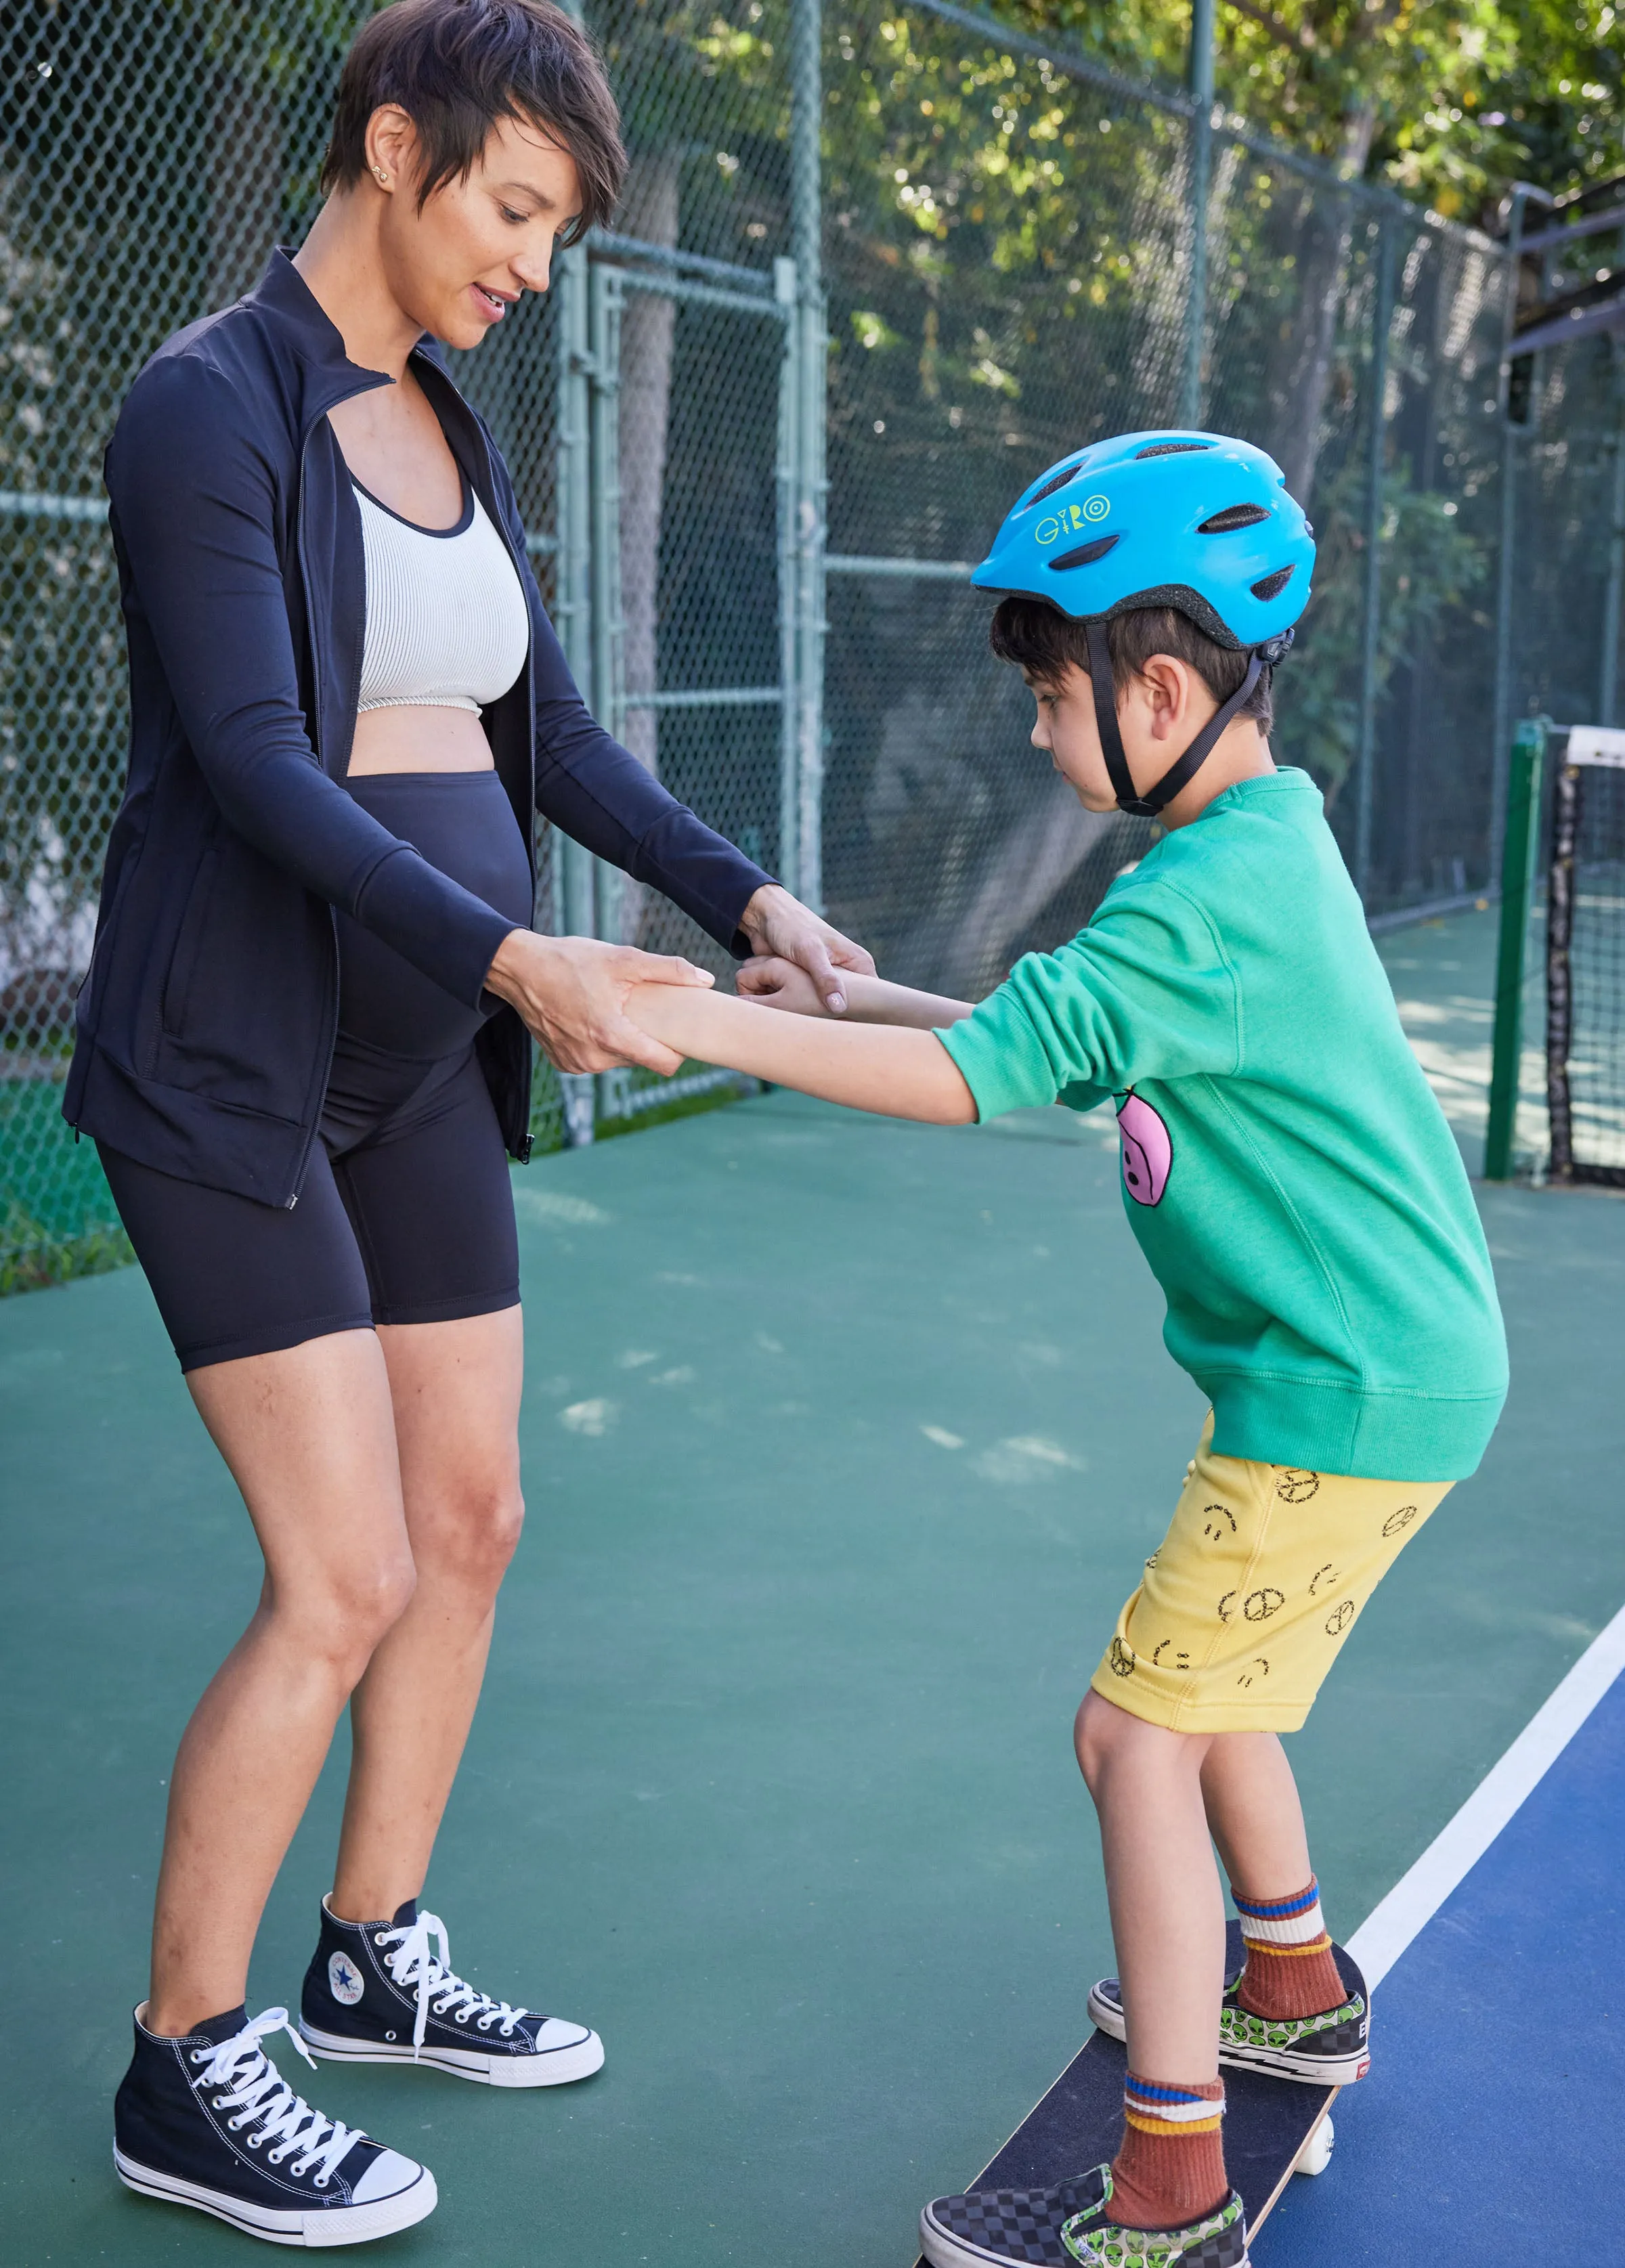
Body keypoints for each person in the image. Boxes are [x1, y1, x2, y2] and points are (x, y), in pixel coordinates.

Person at [68, 0, 871, 2246]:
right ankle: (185, 2059)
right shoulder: (198, 408)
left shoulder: (452, 417)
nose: (531, 262)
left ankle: (374, 1951)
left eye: (553, 231)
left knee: (474, 1517)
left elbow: (554, 736)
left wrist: (748, 898)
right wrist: (530, 962)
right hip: (231, 1061)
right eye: (513, 211)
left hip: (414, 1056)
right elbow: (251, 756)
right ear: (397, 148)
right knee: (335, 1576)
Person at [621, 431, 1509, 2268]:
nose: (1036, 731)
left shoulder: (1199, 900)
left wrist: (701, 1021)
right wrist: (847, 993)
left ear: (1158, 687)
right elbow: (1046, 1035)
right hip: (1359, 1375)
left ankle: (1173, 2183)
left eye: (1049, 694)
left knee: (1131, 1739)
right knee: (1224, 1696)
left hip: (1341, 1397)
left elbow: (976, 1082)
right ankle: (1291, 1982)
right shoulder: (1258, 843)